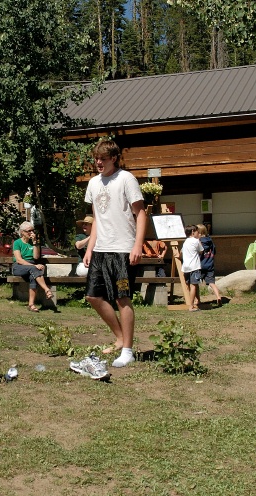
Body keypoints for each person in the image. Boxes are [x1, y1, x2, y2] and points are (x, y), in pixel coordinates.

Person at [82, 138, 148, 367]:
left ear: (114, 158)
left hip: (122, 249)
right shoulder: (93, 183)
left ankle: (127, 349)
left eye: (103, 158)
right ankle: (120, 337)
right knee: (92, 296)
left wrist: (137, 245)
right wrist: (90, 248)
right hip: (101, 250)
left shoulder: (126, 179)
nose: (98, 162)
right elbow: (97, 219)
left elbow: (140, 214)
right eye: (96, 159)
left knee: (122, 298)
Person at [12, 220, 53, 312]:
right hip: (19, 266)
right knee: (34, 268)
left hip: (31, 267)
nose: (32, 233)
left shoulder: (34, 243)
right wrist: (34, 266)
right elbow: (19, 260)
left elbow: (36, 257)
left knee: (33, 276)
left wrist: (35, 243)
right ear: (22, 232)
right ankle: (47, 289)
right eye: (29, 231)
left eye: (33, 230)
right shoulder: (17, 243)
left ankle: (31, 305)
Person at [197, 224, 222, 306]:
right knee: (212, 283)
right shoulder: (210, 240)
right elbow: (214, 251)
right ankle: (218, 297)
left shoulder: (198, 242)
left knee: (195, 284)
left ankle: (197, 300)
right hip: (210, 265)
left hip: (199, 265)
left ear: (199, 233)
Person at [181, 225, 202, 311]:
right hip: (194, 266)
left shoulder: (185, 242)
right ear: (193, 232)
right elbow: (201, 250)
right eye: (197, 232)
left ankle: (198, 300)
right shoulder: (196, 241)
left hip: (186, 267)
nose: (198, 233)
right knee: (194, 285)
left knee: (191, 285)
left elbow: (181, 252)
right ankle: (191, 306)